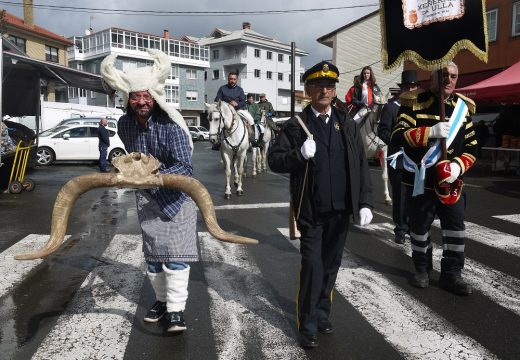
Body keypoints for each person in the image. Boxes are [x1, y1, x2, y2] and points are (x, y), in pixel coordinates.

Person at [268, 61, 373, 349]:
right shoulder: (295, 125)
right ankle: (308, 323)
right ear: (308, 90)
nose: (325, 91)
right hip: (311, 211)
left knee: (331, 265)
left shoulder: (346, 124)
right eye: (318, 86)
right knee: (313, 266)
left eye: (329, 86)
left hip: (341, 210)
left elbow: (361, 165)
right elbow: (274, 160)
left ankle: (322, 313)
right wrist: (299, 155)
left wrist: (364, 201)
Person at [101, 49, 197, 332]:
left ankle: (177, 311)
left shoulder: (172, 125)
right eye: (136, 96)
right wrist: (129, 171)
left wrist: (149, 177)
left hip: (178, 198)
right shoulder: (124, 124)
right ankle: (162, 300)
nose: (142, 101)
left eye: (146, 96)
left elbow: (185, 167)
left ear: (154, 97)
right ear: (128, 99)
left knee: (176, 257)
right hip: (148, 198)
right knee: (154, 257)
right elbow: (134, 158)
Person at [390, 61, 478, 296]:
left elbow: (472, 147)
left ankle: (452, 274)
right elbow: (397, 136)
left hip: (451, 184)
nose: (449, 79)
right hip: (421, 181)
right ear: (433, 77)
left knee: (455, 229)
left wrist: (458, 167)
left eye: (453, 75)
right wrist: (430, 133)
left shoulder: (463, 108)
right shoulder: (413, 102)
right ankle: (422, 268)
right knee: (419, 229)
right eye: (444, 75)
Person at [377, 70, 419, 244]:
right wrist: (399, 141)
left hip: (418, 160)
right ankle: (400, 229)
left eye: (413, 86)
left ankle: (412, 226)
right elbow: (383, 130)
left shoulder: (420, 107)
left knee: (416, 196)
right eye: (408, 87)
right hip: (399, 159)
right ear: (402, 89)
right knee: (400, 197)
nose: (411, 89)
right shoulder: (391, 107)